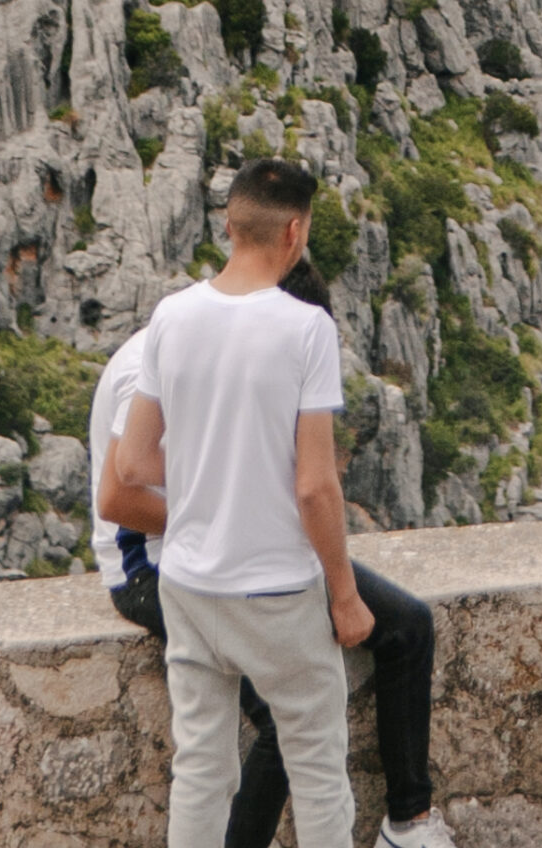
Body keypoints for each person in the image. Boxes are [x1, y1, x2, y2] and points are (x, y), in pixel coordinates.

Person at [93, 257, 452, 848]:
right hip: (154, 564)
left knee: (408, 624)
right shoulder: (154, 358)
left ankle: (407, 823)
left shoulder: (228, 341)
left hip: (244, 548)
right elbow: (117, 495)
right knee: (284, 730)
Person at [109, 158, 373, 848]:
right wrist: (344, 597)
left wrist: (208, 473)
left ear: (228, 223)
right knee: (317, 768)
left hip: (189, 584)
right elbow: (315, 486)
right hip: (276, 592)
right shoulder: (305, 330)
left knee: (200, 770)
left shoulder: (171, 317)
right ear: (295, 231)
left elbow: (133, 464)